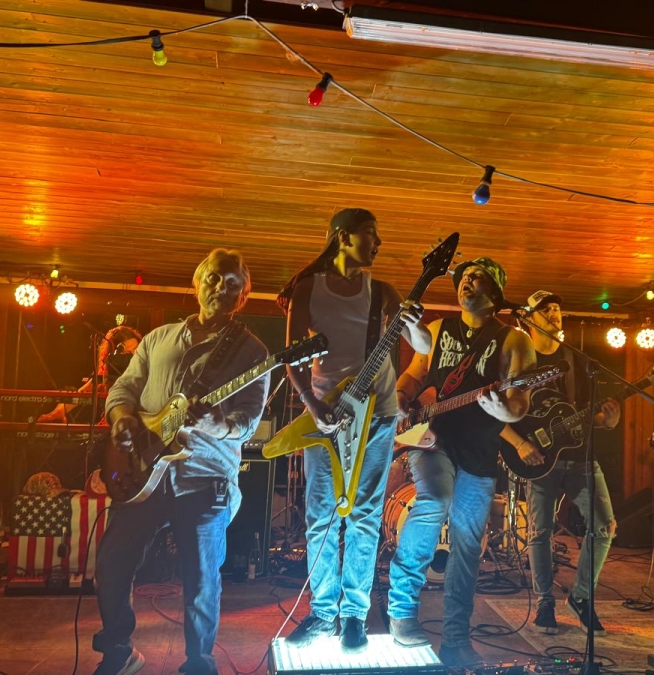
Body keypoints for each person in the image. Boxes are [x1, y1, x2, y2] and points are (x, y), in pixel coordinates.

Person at [93, 249, 271, 675]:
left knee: (201, 579)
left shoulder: (253, 352)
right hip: (140, 474)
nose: (222, 288)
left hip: (205, 477)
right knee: (112, 563)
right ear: (197, 282)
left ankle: (199, 663)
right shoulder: (158, 339)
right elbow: (123, 390)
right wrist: (122, 420)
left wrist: (214, 423)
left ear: (243, 296)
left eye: (233, 284)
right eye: (214, 278)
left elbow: (247, 423)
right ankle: (118, 652)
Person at [277, 208, 429, 650]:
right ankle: (323, 612)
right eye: (370, 235)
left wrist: (414, 323)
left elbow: (422, 346)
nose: (378, 244)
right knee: (321, 515)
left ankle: (354, 616)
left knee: (364, 514)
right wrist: (313, 407)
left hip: (378, 415)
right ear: (343, 237)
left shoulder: (382, 292)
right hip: (326, 414)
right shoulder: (308, 288)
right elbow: (291, 358)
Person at [388, 257, 535, 670]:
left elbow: (519, 401)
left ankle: (456, 638)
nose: (466, 281)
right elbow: (414, 376)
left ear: (495, 292)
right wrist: (401, 398)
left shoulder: (514, 340)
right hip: (432, 437)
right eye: (463, 276)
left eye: (477, 277)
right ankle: (402, 610)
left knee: (468, 546)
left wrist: (504, 411)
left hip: (480, 448)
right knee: (434, 499)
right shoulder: (437, 330)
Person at [500, 290, 621, 635]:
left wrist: (606, 421)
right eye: (545, 309)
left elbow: (587, 414)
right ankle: (544, 602)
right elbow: (493, 413)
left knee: (605, 527)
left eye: (557, 308)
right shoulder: (519, 358)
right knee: (540, 532)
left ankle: (581, 598)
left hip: (580, 458)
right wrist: (520, 443)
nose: (554, 313)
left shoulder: (576, 360)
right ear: (528, 318)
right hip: (537, 458)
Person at [37, 325, 142, 424]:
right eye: (125, 352)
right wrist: (58, 411)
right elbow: (84, 392)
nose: (132, 355)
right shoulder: (106, 373)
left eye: (135, 349)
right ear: (112, 354)